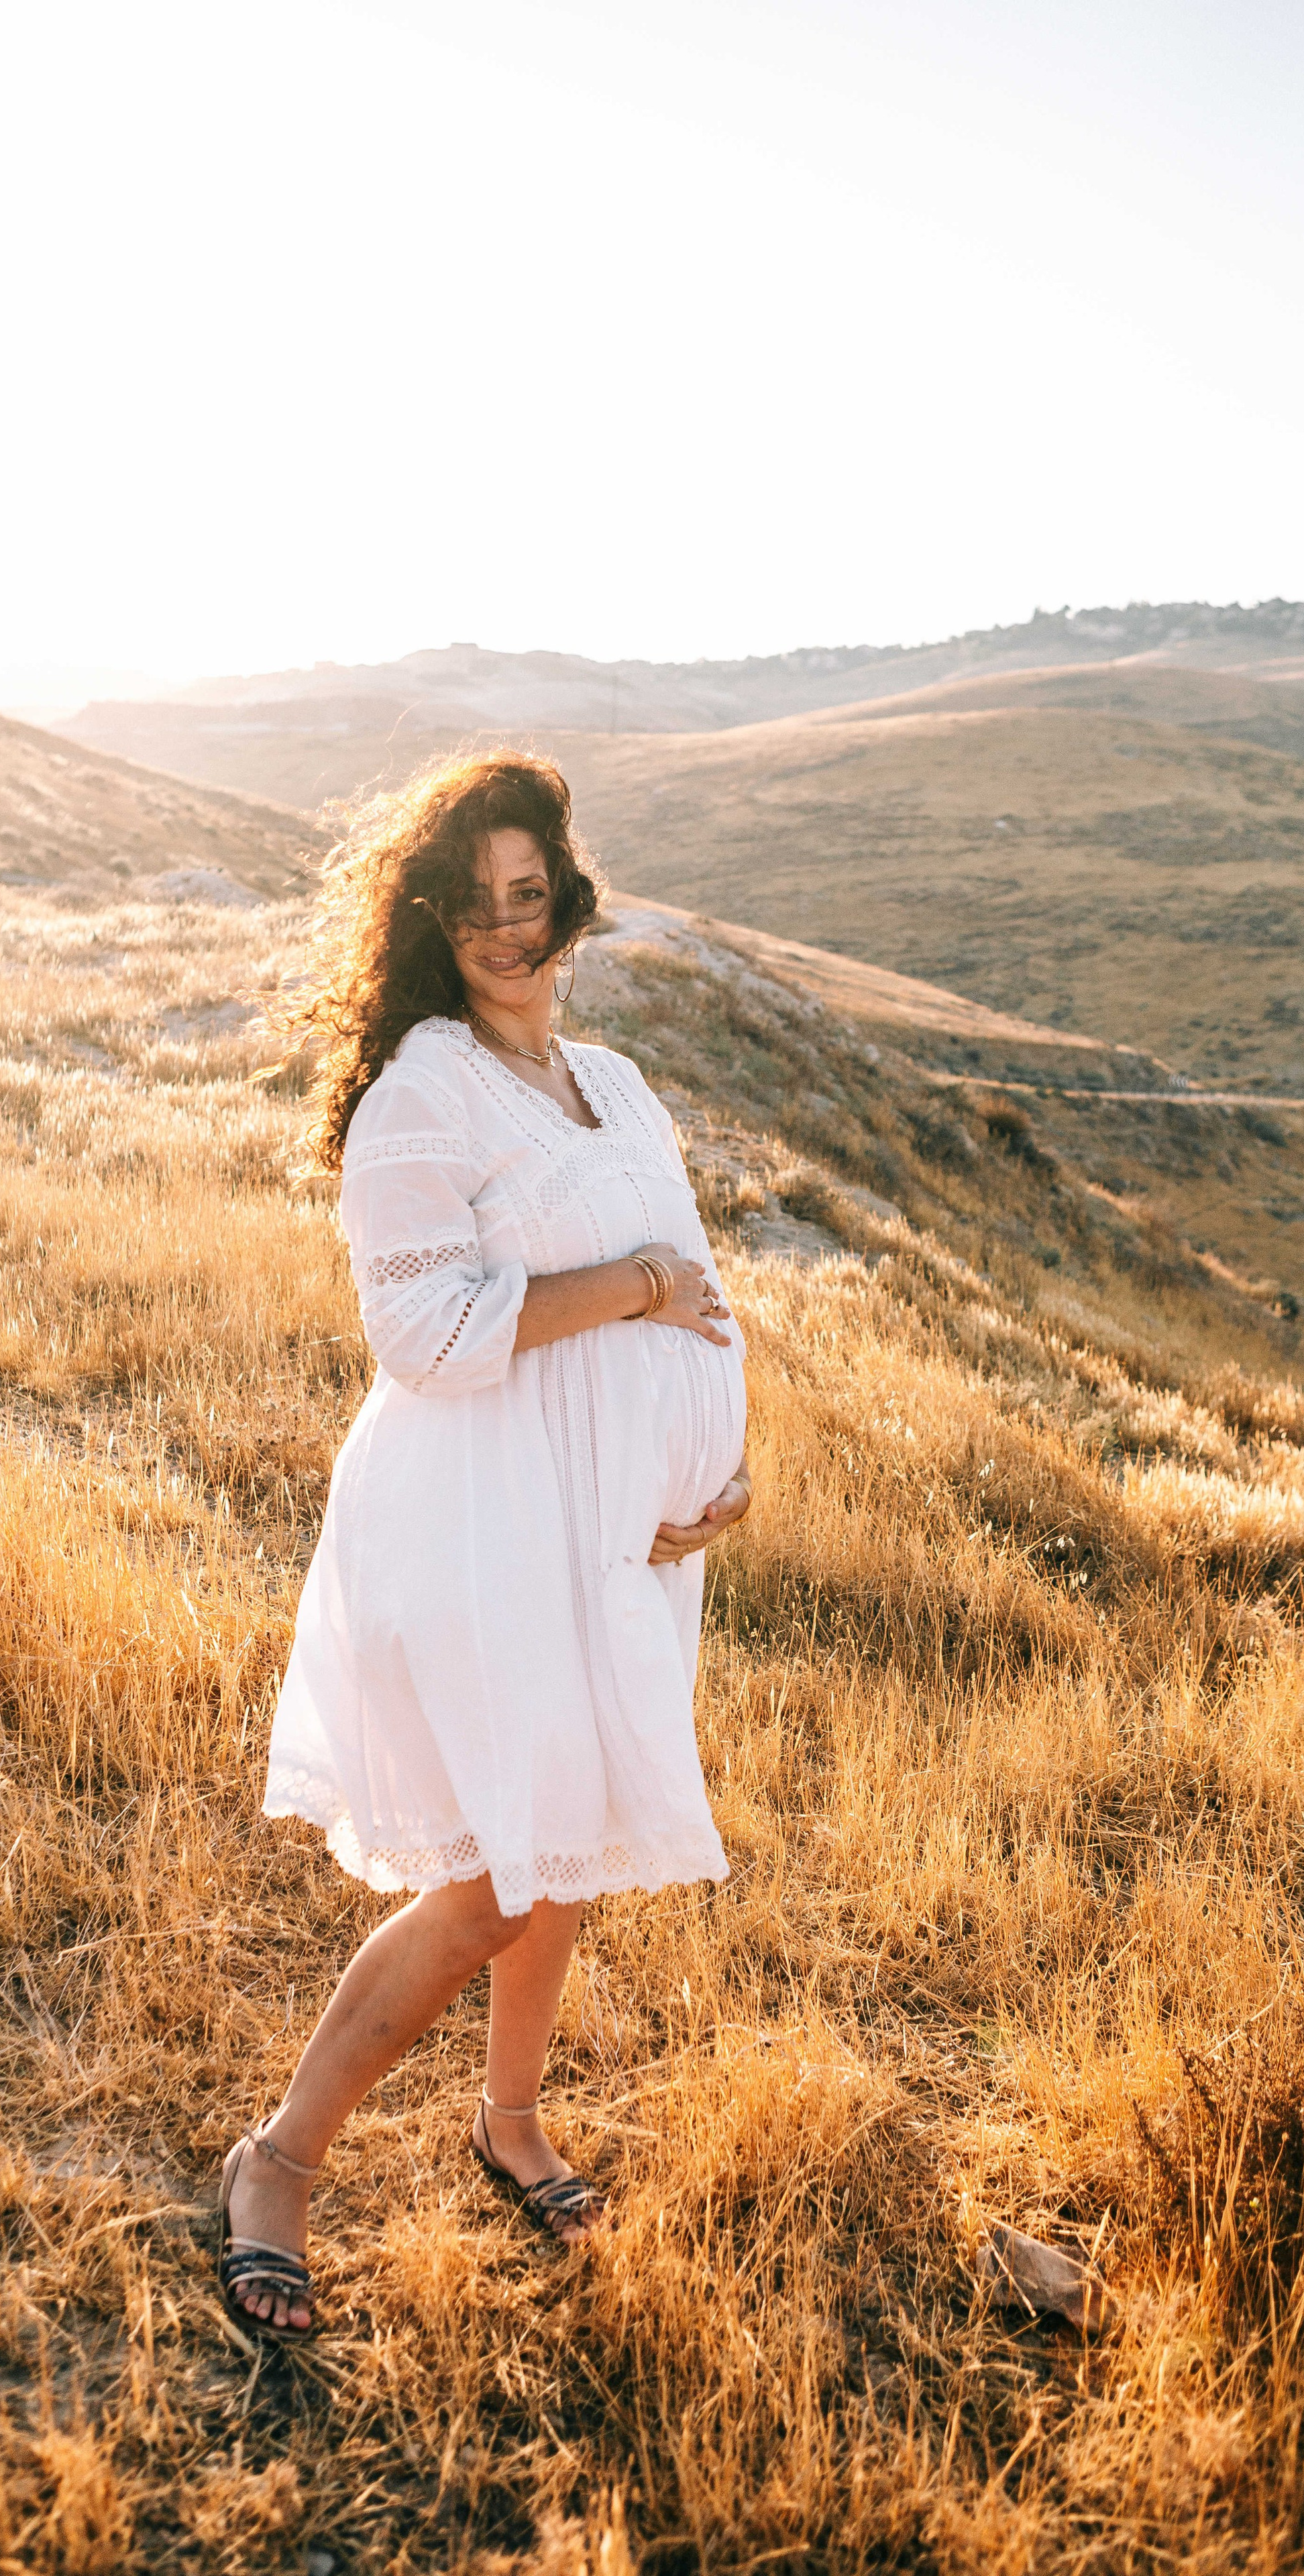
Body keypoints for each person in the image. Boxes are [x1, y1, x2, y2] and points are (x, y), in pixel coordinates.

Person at [218, 753, 751, 2343]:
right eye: (479, 906)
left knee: (564, 1843)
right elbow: (428, 1333)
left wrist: (716, 1469)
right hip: (483, 1522)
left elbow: (705, 1276)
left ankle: (509, 2122)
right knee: (485, 1883)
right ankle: (275, 2165)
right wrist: (638, 1293)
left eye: (534, 896)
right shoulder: (419, 1094)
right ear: (433, 927)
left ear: (566, 899)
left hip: (625, 1538)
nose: (512, 930)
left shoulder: (621, 1083)